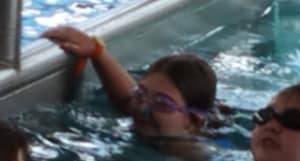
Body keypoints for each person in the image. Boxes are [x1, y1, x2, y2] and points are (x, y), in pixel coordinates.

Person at [42, 25, 218, 141]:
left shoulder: (190, 158)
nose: (143, 108)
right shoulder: (153, 118)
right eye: (141, 94)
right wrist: (96, 51)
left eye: (162, 103)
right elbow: (125, 98)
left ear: (192, 122)